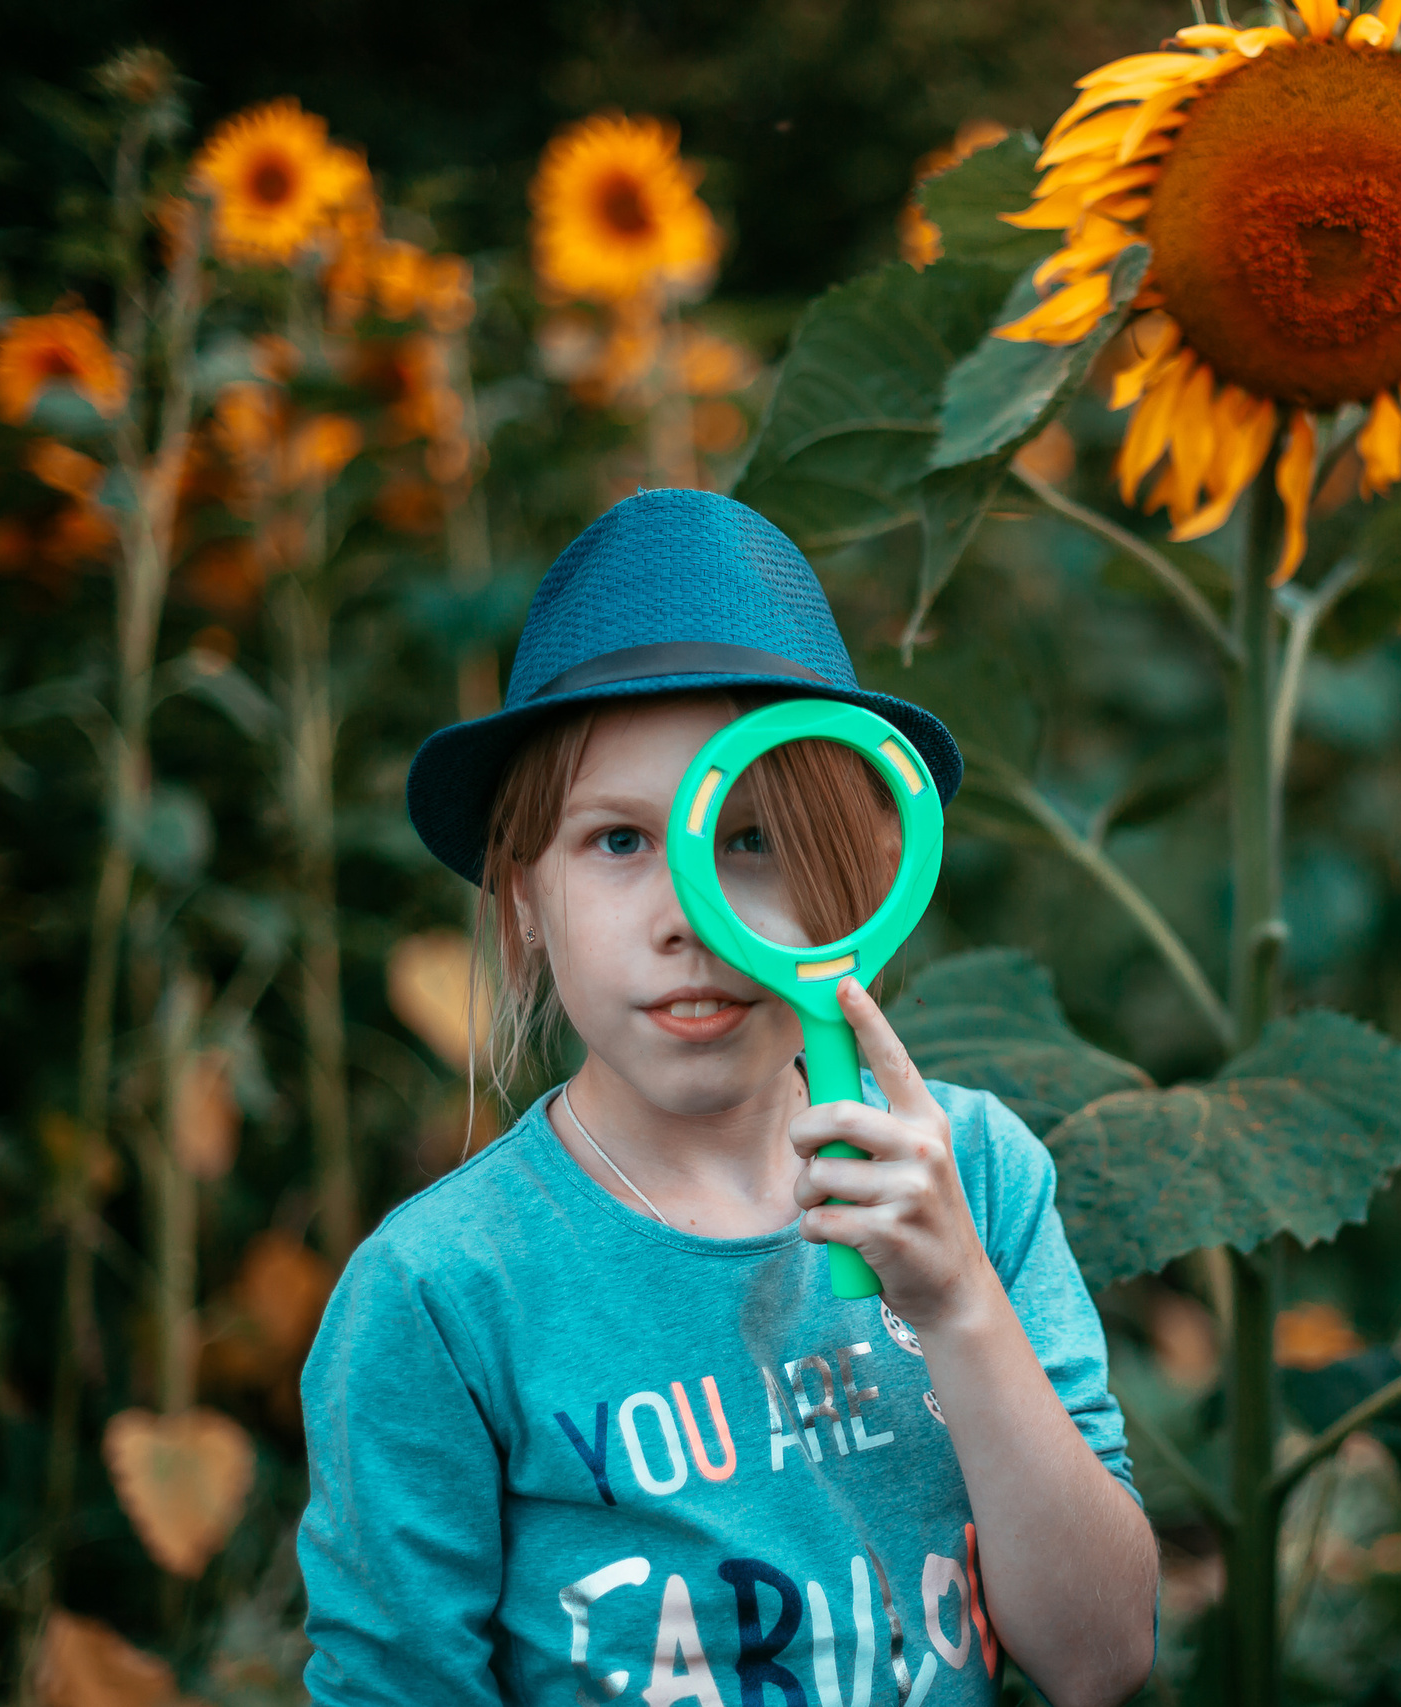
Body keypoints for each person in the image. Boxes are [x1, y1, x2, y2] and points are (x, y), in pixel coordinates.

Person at [298, 489, 1159, 1707]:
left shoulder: (979, 1176)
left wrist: (959, 1303)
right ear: (523, 900)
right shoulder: (442, 1292)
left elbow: (1102, 1655)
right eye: (615, 842)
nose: (688, 918)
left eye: (748, 841)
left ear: (852, 882)